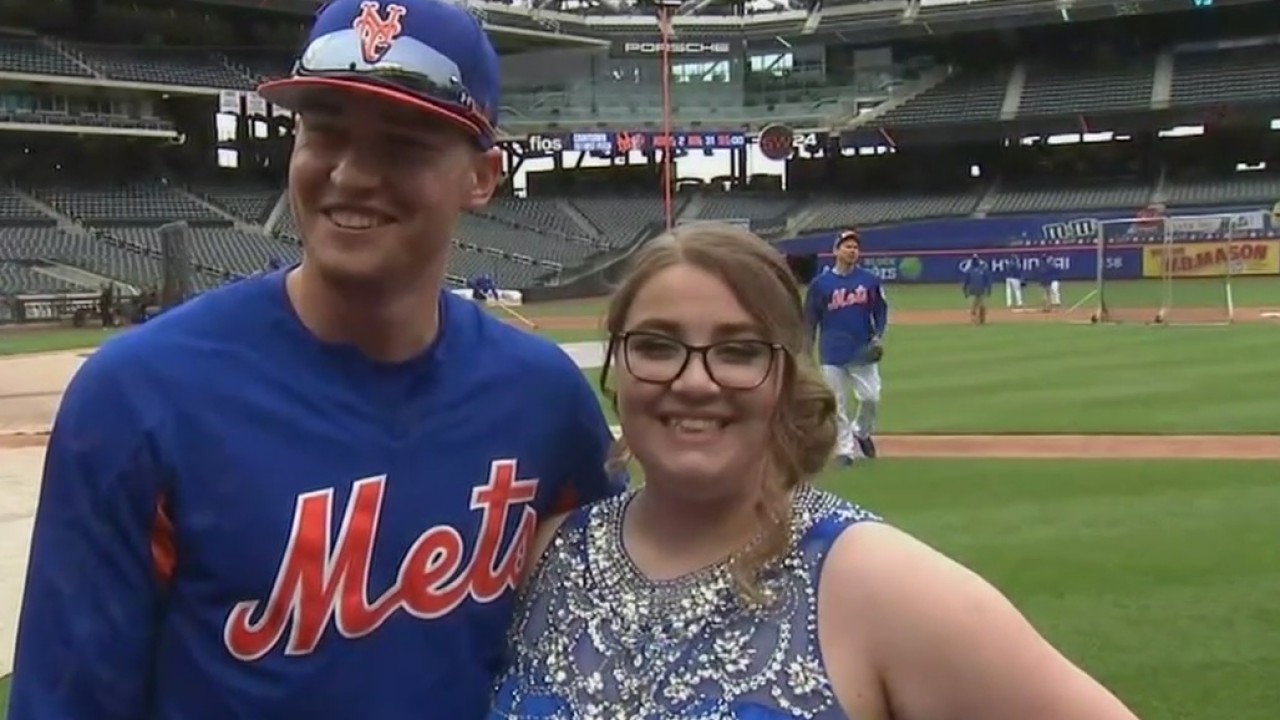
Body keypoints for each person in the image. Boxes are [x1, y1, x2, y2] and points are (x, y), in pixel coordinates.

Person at [8, 1, 625, 718]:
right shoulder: (138, 398)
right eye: (325, 131)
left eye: (404, 144)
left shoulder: (544, 404)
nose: (353, 173)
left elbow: (623, 635)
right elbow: (68, 702)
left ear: (482, 177)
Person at [488, 222, 1143, 720]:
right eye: (656, 346)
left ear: (783, 376)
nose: (693, 381)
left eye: (738, 351)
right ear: (617, 369)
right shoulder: (538, 555)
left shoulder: (882, 586)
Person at [803, 229, 887, 465]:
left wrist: (878, 336)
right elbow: (810, 318)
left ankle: (861, 431)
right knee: (838, 404)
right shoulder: (821, 285)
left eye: (855, 247)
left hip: (862, 350)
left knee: (871, 397)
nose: (852, 251)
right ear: (836, 251)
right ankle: (845, 451)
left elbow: (881, 311)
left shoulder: (869, 281)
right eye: (847, 246)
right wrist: (807, 347)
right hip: (832, 351)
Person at [962, 253, 993, 325]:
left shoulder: (983, 269)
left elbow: (987, 280)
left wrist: (989, 289)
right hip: (972, 292)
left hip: (981, 291)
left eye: (976, 259)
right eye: (974, 259)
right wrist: (965, 291)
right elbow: (966, 281)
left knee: (983, 306)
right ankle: (975, 320)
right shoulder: (969, 270)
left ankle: (982, 320)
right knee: (973, 307)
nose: (975, 261)